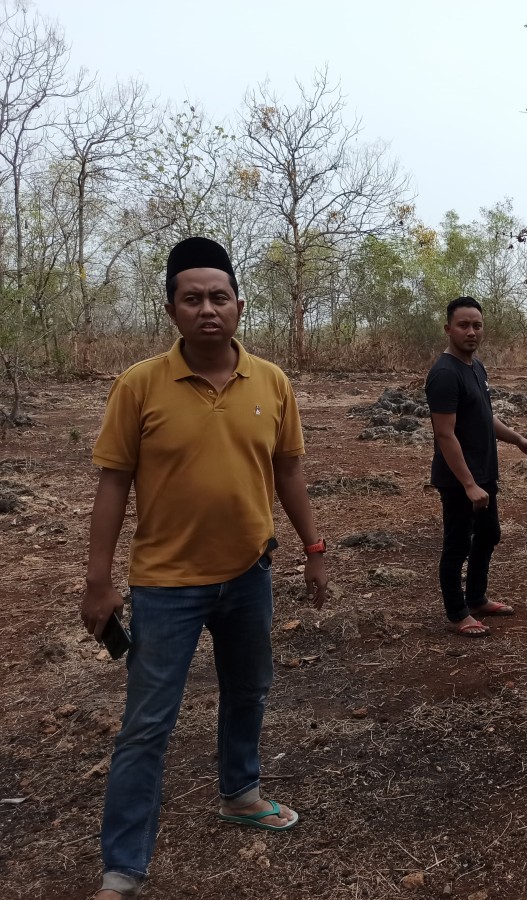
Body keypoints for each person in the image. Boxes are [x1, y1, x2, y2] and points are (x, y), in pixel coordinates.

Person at [79, 236, 329, 899]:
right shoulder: (139, 385)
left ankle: (240, 791)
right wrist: (97, 580)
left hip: (249, 575)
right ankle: (122, 867)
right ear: (171, 309)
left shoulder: (271, 382)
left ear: (240, 306)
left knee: (249, 691)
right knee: (146, 726)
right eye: (193, 298)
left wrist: (313, 548)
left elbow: (289, 470)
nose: (208, 309)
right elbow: (112, 483)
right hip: (166, 587)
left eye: (219, 297)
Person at [425, 296, 527, 637]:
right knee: (457, 545)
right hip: (459, 479)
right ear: (448, 329)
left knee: (489, 535)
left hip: (484, 472)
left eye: (477, 325)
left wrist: (519, 440)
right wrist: (468, 484)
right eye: (463, 325)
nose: (471, 331)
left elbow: (485, 417)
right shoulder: (445, 374)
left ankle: (476, 598)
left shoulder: (475, 367)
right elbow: (445, 435)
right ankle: (457, 612)